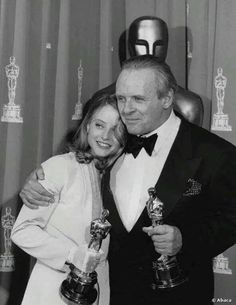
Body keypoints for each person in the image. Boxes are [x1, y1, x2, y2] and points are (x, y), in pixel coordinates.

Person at [21, 55, 236, 305]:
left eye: (138, 99)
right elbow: (74, 169)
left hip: (179, 295)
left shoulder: (214, 152)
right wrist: (39, 180)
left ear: (167, 98)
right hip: (111, 295)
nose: (127, 109)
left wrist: (185, 239)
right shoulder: (114, 142)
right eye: (122, 98)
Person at [11, 94, 127, 305]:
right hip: (52, 291)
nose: (106, 136)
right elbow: (22, 231)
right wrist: (73, 255)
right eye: (100, 125)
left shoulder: (122, 176)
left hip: (100, 291)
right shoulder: (59, 167)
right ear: (88, 126)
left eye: (117, 129)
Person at [86, 16, 203, 126]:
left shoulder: (189, 105)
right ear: (130, 47)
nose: (150, 51)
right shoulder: (103, 99)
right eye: (141, 44)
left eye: (158, 45)